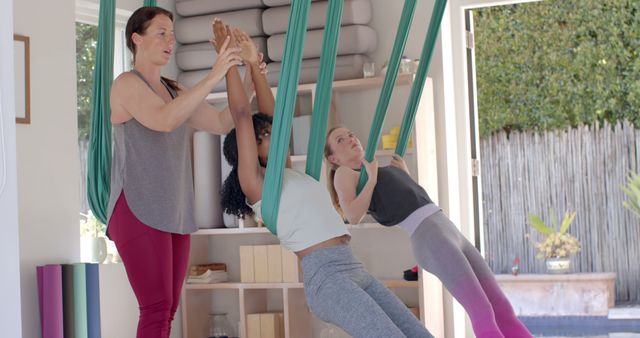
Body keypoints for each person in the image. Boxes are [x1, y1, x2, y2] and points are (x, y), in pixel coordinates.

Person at [215, 21, 434, 338]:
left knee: (417, 334)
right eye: (261, 136)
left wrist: (254, 63)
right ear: (245, 150)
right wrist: (230, 60)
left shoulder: (285, 171)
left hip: (352, 267)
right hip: (326, 280)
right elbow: (241, 115)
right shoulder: (257, 186)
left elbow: (275, 121)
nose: (271, 135)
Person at [105, 7, 262, 338]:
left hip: (173, 209)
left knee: (168, 311)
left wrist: (250, 74)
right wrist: (214, 73)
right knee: (156, 308)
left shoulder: (173, 88)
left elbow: (221, 122)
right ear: (137, 38)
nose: (170, 40)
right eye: (161, 32)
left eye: (172, 33)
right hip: (136, 208)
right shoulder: (125, 85)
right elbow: (164, 120)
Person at [324, 127, 533, 338]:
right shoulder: (345, 173)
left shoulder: (376, 168)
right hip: (431, 239)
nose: (350, 139)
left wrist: (403, 174)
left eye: (351, 134)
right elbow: (353, 215)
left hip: (446, 228)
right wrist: (371, 179)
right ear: (333, 159)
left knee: (501, 305)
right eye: (340, 140)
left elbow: (409, 199)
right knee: (482, 310)